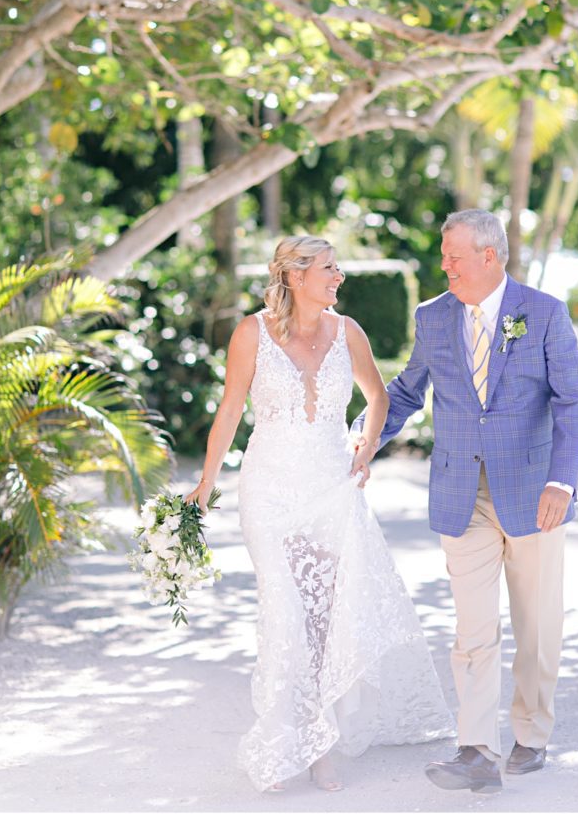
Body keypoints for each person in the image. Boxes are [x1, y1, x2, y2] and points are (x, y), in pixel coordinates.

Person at [185, 235, 454, 793]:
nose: (339, 277)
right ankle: (289, 737)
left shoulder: (347, 331)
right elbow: (231, 408)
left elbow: (378, 397)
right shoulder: (249, 334)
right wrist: (207, 482)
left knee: (326, 616)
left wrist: (367, 446)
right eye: (330, 268)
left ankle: (323, 740)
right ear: (295, 275)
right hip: (270, 489)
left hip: (332, 485)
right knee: (286, 611)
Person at [354, 209, 578, 794]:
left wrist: (562, 481)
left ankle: (531, 736)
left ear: (489, 256)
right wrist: (360, 443)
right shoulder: (433, 316)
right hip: (462, 493)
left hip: (536, 494)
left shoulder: (543, 313)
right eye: (444, 255)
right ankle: (477, 749)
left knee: (537, 625)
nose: (444, 265)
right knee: (473, 629)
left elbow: (574, 402)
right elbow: (407, 391)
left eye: (453, 256)